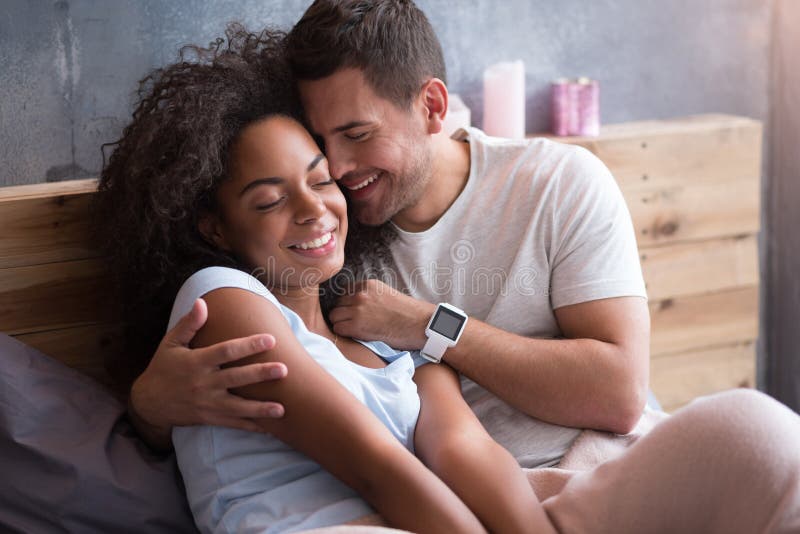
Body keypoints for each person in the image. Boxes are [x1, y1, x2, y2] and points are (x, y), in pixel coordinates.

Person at [123, 2, 800, 532]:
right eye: (322, 146)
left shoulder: (555, 181)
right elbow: (382, 463)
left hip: (586, 479)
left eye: (355, 138)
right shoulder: (306, 271)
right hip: (463, 504)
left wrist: (428, 325)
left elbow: (619, 395)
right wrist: (148, 410)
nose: (337, 179)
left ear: (433, 107)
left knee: (761, 435)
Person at [95, 25, 554, 534]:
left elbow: (469, 453)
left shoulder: (390, 344)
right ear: (216, 227)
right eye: (270, 201)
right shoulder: (221, 301)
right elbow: (376, 467)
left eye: (321, 180)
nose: (314, 210)